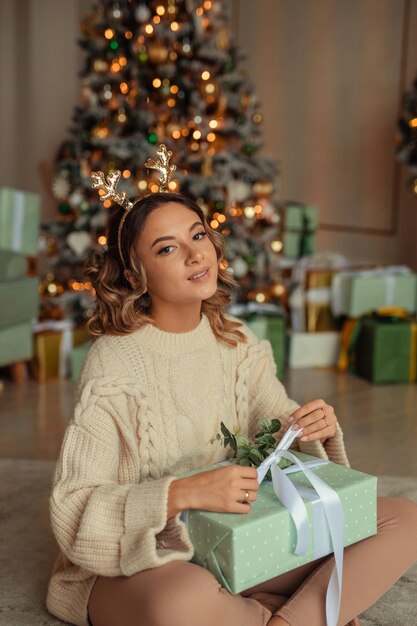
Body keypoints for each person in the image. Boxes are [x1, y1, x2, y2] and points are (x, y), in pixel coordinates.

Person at [47, 151, 417, 626]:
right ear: (136, 276)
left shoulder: (238, 338)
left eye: (198, 235)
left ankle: (279, 620)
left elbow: (276, 426)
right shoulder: (114, 363)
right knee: (180, 602)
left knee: (399, 520)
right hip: (149, 559)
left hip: (241, 540)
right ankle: (298, 611)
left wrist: (306, 428)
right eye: (167, 248)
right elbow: (74, 508)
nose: (196, 253)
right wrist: (181, 493)